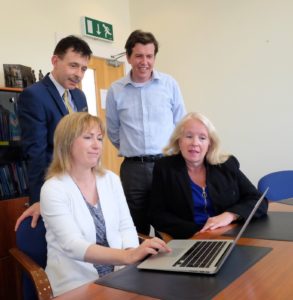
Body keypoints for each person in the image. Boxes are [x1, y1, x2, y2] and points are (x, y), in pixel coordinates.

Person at [40, 112, 171, 296]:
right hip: (77, 283)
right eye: (87, 137)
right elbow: (72, 245)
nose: (96, 146)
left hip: (119, 276)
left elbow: (126, 225)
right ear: (66, 143)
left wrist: (131, 254)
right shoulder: (53, 188)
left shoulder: (110, 179)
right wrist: (127, 257)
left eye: (99, 139)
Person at [106, 30, 186, 235]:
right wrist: (132, 148)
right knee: (134, 228)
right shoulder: (116, 90)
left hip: (167, 165)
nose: (145, 61)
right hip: (133, 170)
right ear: (129, 57)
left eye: (149, 56)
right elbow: (113, 130)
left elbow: (181, 125)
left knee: (169, 226)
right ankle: (138, 266)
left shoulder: (169, 84)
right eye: (139, 56)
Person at [149, 112, 268, 239]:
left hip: (228, 236)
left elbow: (258, 200)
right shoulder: (165, 168)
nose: (195, 143)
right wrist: (199, 232)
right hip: (189, 239)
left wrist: (230, 215)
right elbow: (156, 214)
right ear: (179, 141)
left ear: (209, 143)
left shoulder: (226, 164)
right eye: (189, 136)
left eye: (202, 138)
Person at [15, 35, 92, 230]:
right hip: (55, 186)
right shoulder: (34, 95)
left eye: (83, 68)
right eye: (73, 65)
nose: (79, 74)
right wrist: (39, 198)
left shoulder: (79, 95)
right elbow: (36, 152)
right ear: (55, 61)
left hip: (82, 185)